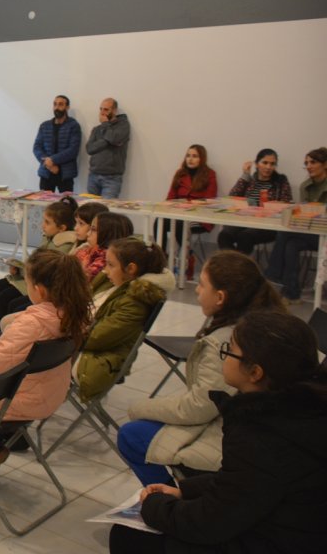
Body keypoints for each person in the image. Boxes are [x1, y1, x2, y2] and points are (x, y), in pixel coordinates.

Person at [110, 309, 327, 554]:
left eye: (229, 350)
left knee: (129, 536)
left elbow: (209, 523)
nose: (224, 356)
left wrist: (154, 506)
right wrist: (185, 490)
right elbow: (246, 482)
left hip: (281, 540)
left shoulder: (262, 433)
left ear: (255, 372)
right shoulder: (303, 409)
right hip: (295, 529)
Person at [116, 251, 286, 486]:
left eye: (202, 284)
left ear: (220, 297)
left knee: (131, 435)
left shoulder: (228, 343)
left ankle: (171, 497)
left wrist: (140, 407)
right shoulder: (270, 321)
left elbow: (201, 407)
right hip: (261, 429)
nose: (196, 290)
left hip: (233, 436)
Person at [0, 250, 92, 484]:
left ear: (39, 290)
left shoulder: (33, 324)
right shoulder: (74, 316)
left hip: (15, 397)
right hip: (48, 393)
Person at [75, 238, 174, 402]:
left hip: (96, 362)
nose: (105, 270)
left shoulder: (135, 303)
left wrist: (64, 332)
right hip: (86, 345)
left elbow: (96, 338)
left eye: (110, 265)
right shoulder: (119, 284)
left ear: (131, 269)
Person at [0, 197, 79, 347]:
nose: (42, 225)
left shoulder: (64, 245)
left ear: (62, 228)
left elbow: (45, 271)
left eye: (47, 222)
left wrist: (24, 270)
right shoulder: (49, 238)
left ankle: (5, 339)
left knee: (4, 298)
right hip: (28, 277)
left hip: (36, 282)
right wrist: (19, 268)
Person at [266, 147, 327, 304]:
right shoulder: (305, 186)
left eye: (313, 162)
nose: (309, 166)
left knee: (285, 233)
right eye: (306, 163)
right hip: (312, 232)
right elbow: (304, 215)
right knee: (291, 244)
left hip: (325, 234)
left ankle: (273, 275)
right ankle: (292, 294)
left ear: (325, 164)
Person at [157, 144, 218, 279]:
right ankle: (160, 257)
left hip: (199, 216)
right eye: (188, 156)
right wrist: (172, 206)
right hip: (178, 213)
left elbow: (210, 200)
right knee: (159, 221)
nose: (190, 159)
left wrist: (189, 204)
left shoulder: (210, 174)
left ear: (202, 158)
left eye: (195, 156)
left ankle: (187, 257)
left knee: (181, 224)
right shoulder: (180, 173)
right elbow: (170, 197)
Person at [217, 149, 292, 255]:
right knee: (224, 235)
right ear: (256, 164)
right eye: (265, 162)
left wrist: (271, 207)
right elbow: (232, 197)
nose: (268, 167)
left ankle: (237, 264)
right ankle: (234, 263)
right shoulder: (250, 180)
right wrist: (245, 175)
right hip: (245, 220)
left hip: (268, 225)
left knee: (245, 236)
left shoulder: (281, 181)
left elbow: (286, 204)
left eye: (272, 164)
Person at [33, 95, 82, 193]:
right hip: (46, 172)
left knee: (66, 202)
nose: (57, 107)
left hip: (65, 174)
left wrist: (52, 160)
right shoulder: (44, 125)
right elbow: (37, 147)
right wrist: (49, 165)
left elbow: (73, 150)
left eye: (60, 104)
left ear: (67, 107)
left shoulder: (73, 126)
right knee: (44, 202)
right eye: (55, 104)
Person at [85, 98, 131, 198]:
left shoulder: (123, 126)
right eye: (101, 109)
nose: (102, 112)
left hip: (112, 178)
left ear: (114, 110)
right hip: (93, 175)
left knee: (107, 207)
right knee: (90, 207)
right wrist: (107, 141)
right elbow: (90, 149)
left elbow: (114, 139)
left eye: (106, 109)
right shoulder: (97, 129)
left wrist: (105, 125)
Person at [72, 201, 111, 279]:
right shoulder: (84, 247)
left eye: (81, 223)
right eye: (76, 222)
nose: (75, 228)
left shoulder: (103, 256)